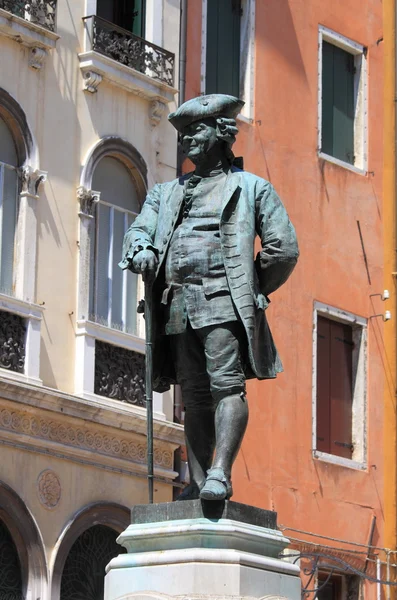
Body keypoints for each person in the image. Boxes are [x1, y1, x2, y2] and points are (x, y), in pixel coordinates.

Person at [119, 94, 299, 501]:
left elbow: (283, 249)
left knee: (226, 386)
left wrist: (251, 285)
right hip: (178, 303)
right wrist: (142, 250)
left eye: (195, 131)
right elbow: (137, 232)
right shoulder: (165, 194)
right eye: (182, 134)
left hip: (223, 299)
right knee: (194, 394)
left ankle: (221, 472)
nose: (186, 141)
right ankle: (199, 482)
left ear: (222, 133)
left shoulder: (251, 188)